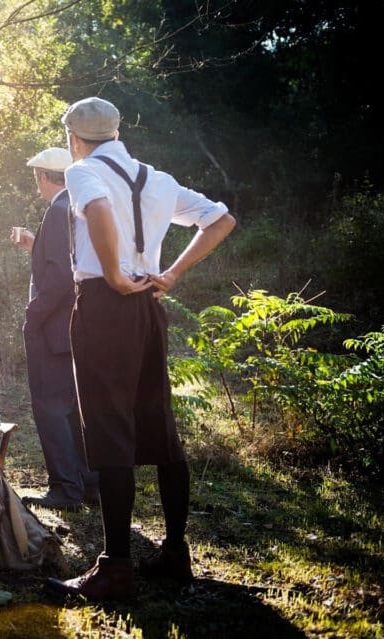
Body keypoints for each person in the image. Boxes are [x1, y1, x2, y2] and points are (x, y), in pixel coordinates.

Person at [46, 97, 236, 601]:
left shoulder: (82, 170)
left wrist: (111, 274)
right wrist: (171, 273)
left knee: (109, 430)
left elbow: (101, 212)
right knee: (159, 423)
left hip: (107, 306)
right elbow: (221, 220)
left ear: (74, 138)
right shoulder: (158, 178)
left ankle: (116, 569)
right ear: (116, 132)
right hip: (149, 304)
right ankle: (175, 552)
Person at [10, 147, 98, 511]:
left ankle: (65, 489)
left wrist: (34, 314)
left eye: (37, 179)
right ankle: (90, 485)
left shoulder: (59, 210)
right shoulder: (78, 210)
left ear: (44, 178)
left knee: (51, 409)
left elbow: (61, 278)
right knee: (76, 409)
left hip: (53, 329)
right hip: (76, 328)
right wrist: (36, 246)